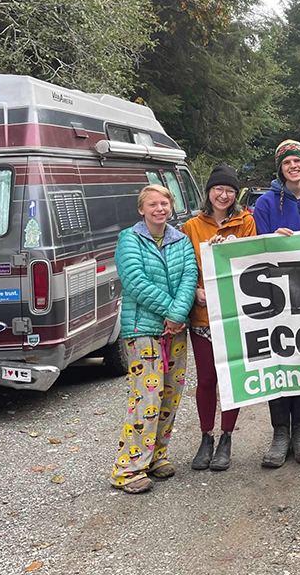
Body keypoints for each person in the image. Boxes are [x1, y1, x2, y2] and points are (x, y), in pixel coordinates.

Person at [109, 184, 197, 493]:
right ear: (141, 209)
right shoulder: (129, 240)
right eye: (153, 204)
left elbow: (190, 277)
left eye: (164, 203)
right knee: (146, 398)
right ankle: (128, 467)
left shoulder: (181, 240)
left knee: (170, 394)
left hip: (176, 330)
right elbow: (135, 281)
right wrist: (171, 312)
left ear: (171, 206)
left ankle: (157, 455)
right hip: (143, 330)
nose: (159, 208)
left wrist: (178, 314)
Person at [252, 139, 300, 467]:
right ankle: (279, 433)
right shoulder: (266, 204)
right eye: (287, 163)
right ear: (280, 168)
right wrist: (272, 239)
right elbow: (255, 247)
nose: (293, 166)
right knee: (279, 361)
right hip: (276, 295)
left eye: (297, 161)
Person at [180, 163, 257, 471]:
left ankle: (226, 437)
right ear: (208, 192)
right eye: (218, 189)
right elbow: (184, 268)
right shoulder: (191, 227)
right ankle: (205, 437)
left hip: (234, 315)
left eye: (229, 190)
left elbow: (253, 261)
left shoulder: (245, 223)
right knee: (207, 379)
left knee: (231, 378)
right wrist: (194, 290)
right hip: (202, 317)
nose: (223, 195)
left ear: (235, 194)